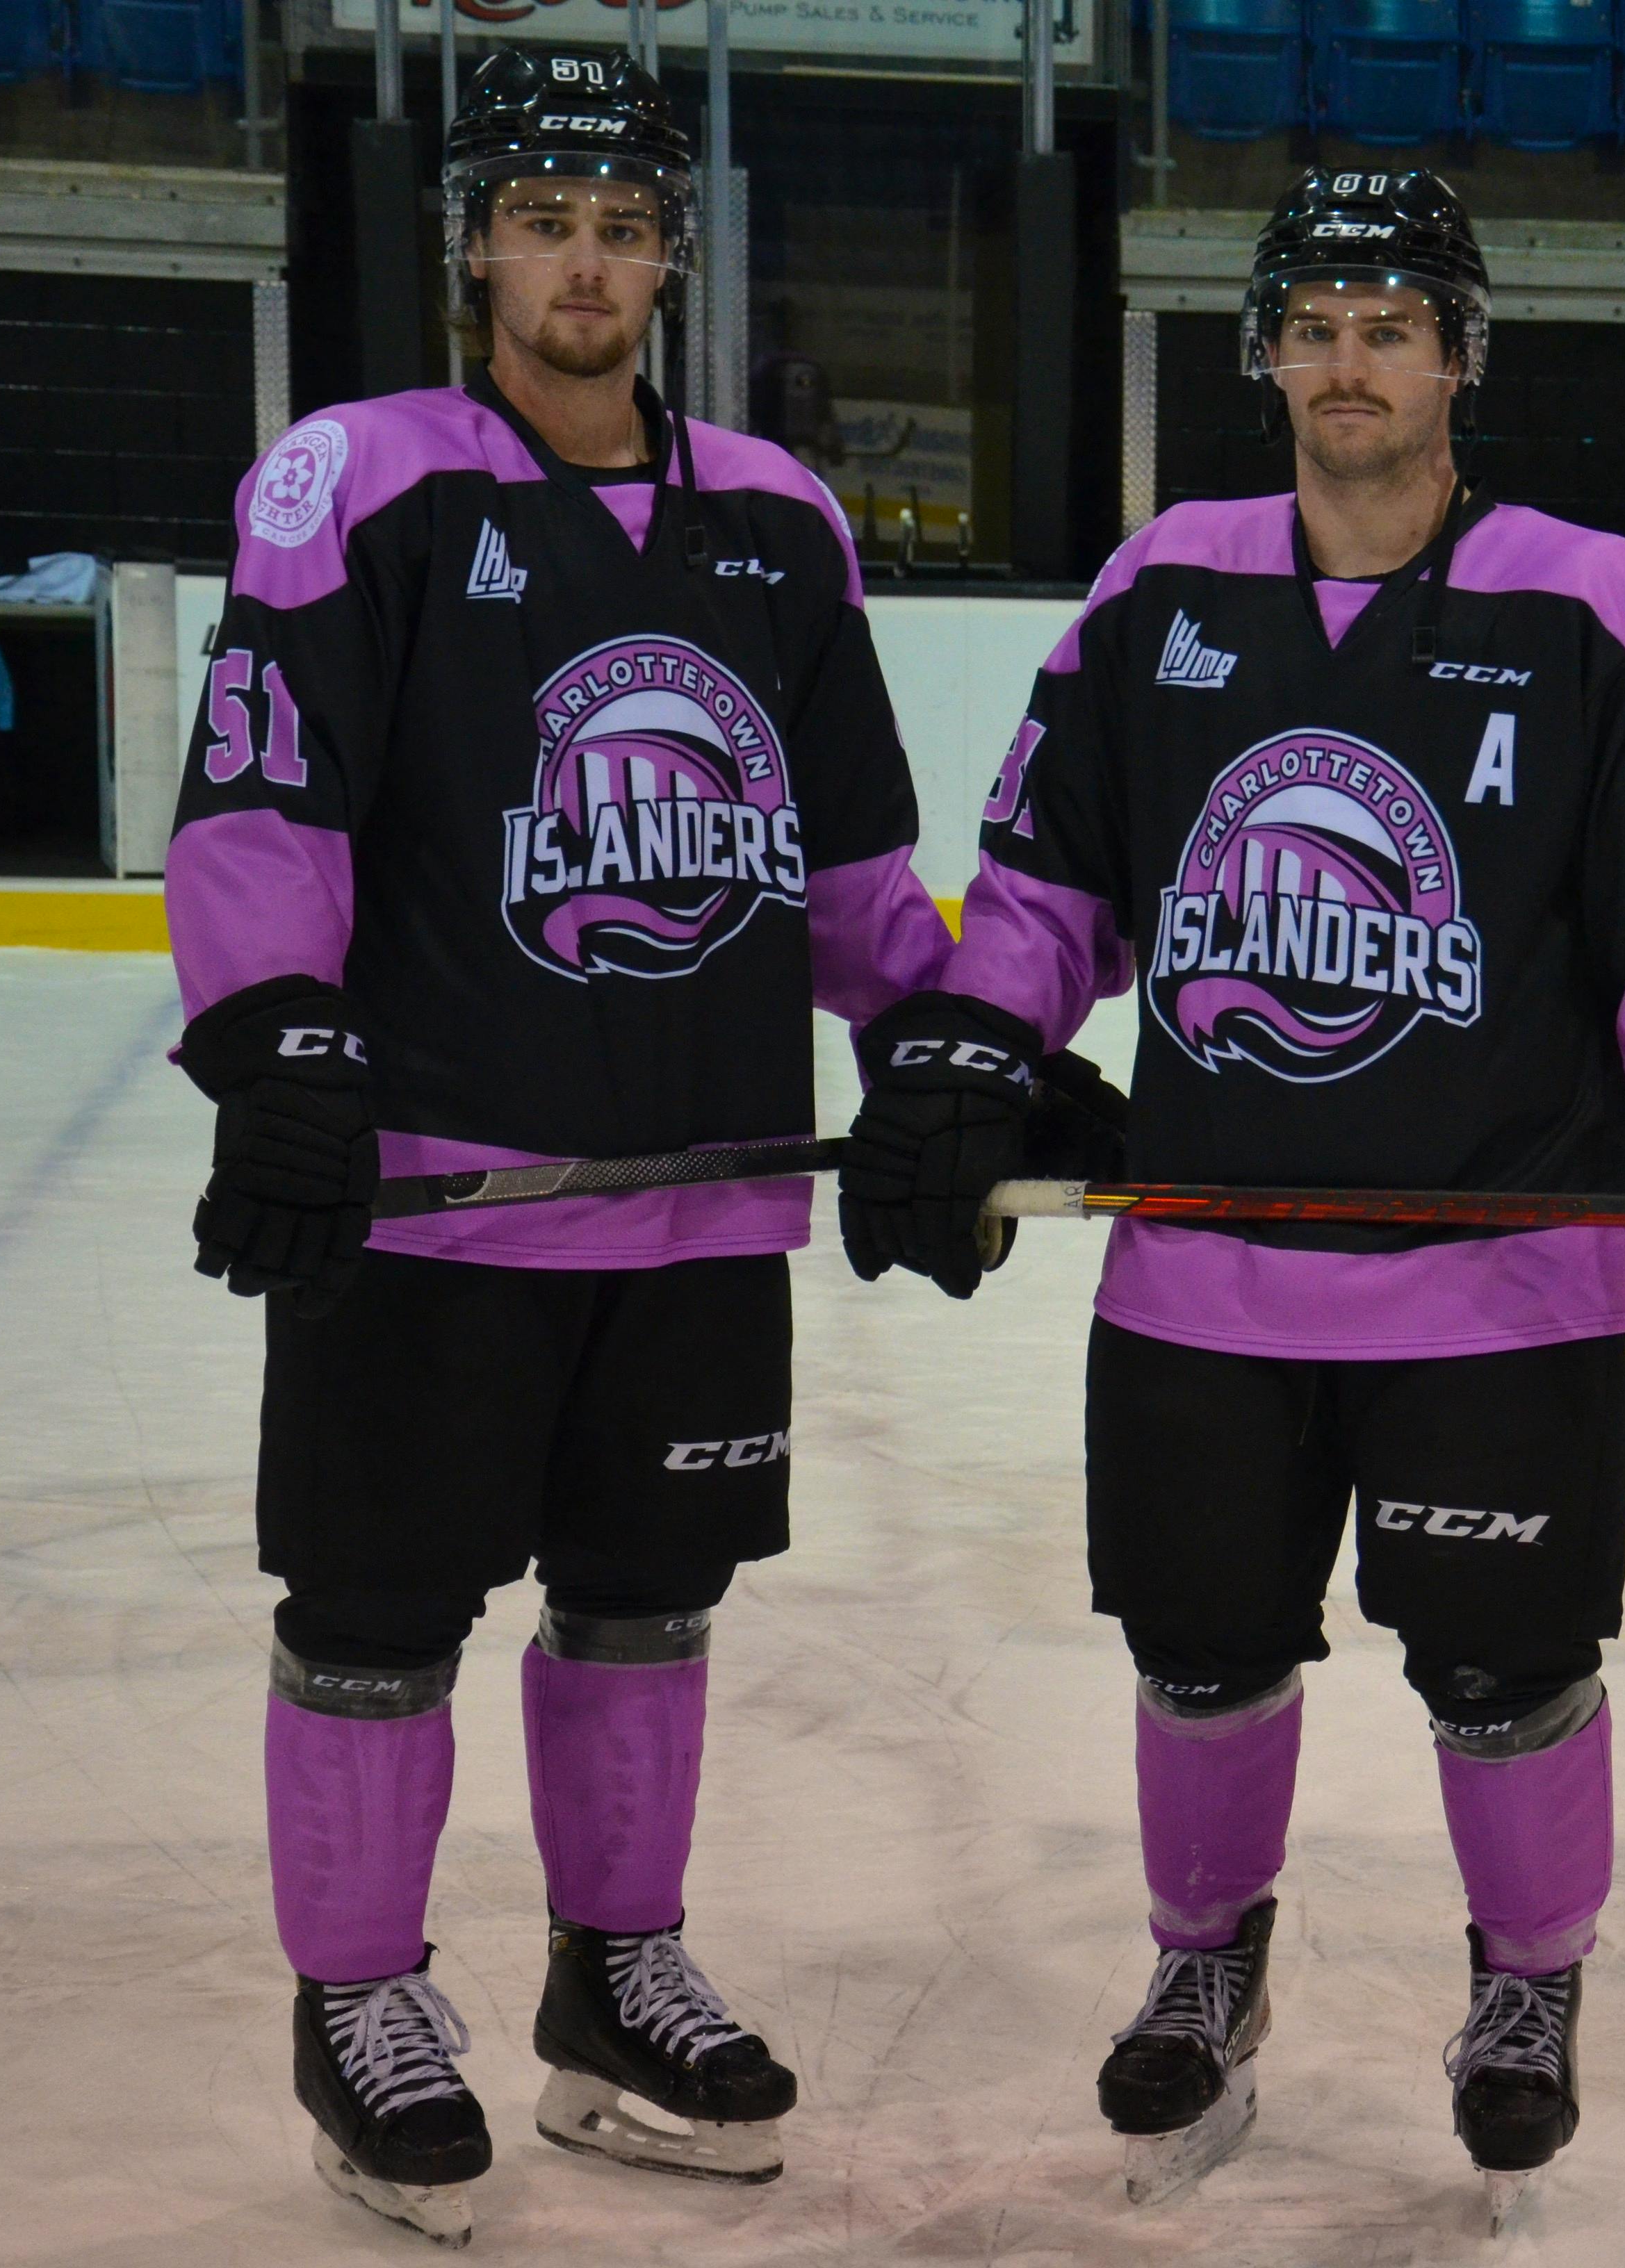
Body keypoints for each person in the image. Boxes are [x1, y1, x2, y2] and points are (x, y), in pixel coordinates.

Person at [838, 166, 1625, 2220]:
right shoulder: (1165, 586)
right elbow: (1057, 885)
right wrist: (979, 1046)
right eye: (1313, 325)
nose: (1349, 363)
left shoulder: (1589, 599)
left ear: (1458, 358)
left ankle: (1526, 1987)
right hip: (1204, 1278)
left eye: (1390, 326)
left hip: (1492, 1281)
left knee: (1504, 1668)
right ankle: (1206, 1959)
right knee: (1201, 1651)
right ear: (1266, 355)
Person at [162, 48, 1062, 2246]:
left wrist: (965, 1042)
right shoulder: (361, 480)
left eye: (624, 222)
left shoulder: (775, 515)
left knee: (649, 1604)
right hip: (445, 1199)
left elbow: (846, 868)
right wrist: (275, 1035)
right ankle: (358, 2001)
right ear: (475, 239)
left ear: (673, 250)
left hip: (698, 1191)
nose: (585, 259)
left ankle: (610, 1973)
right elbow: (266, 800)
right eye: (545, 217)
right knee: (376, 1615)